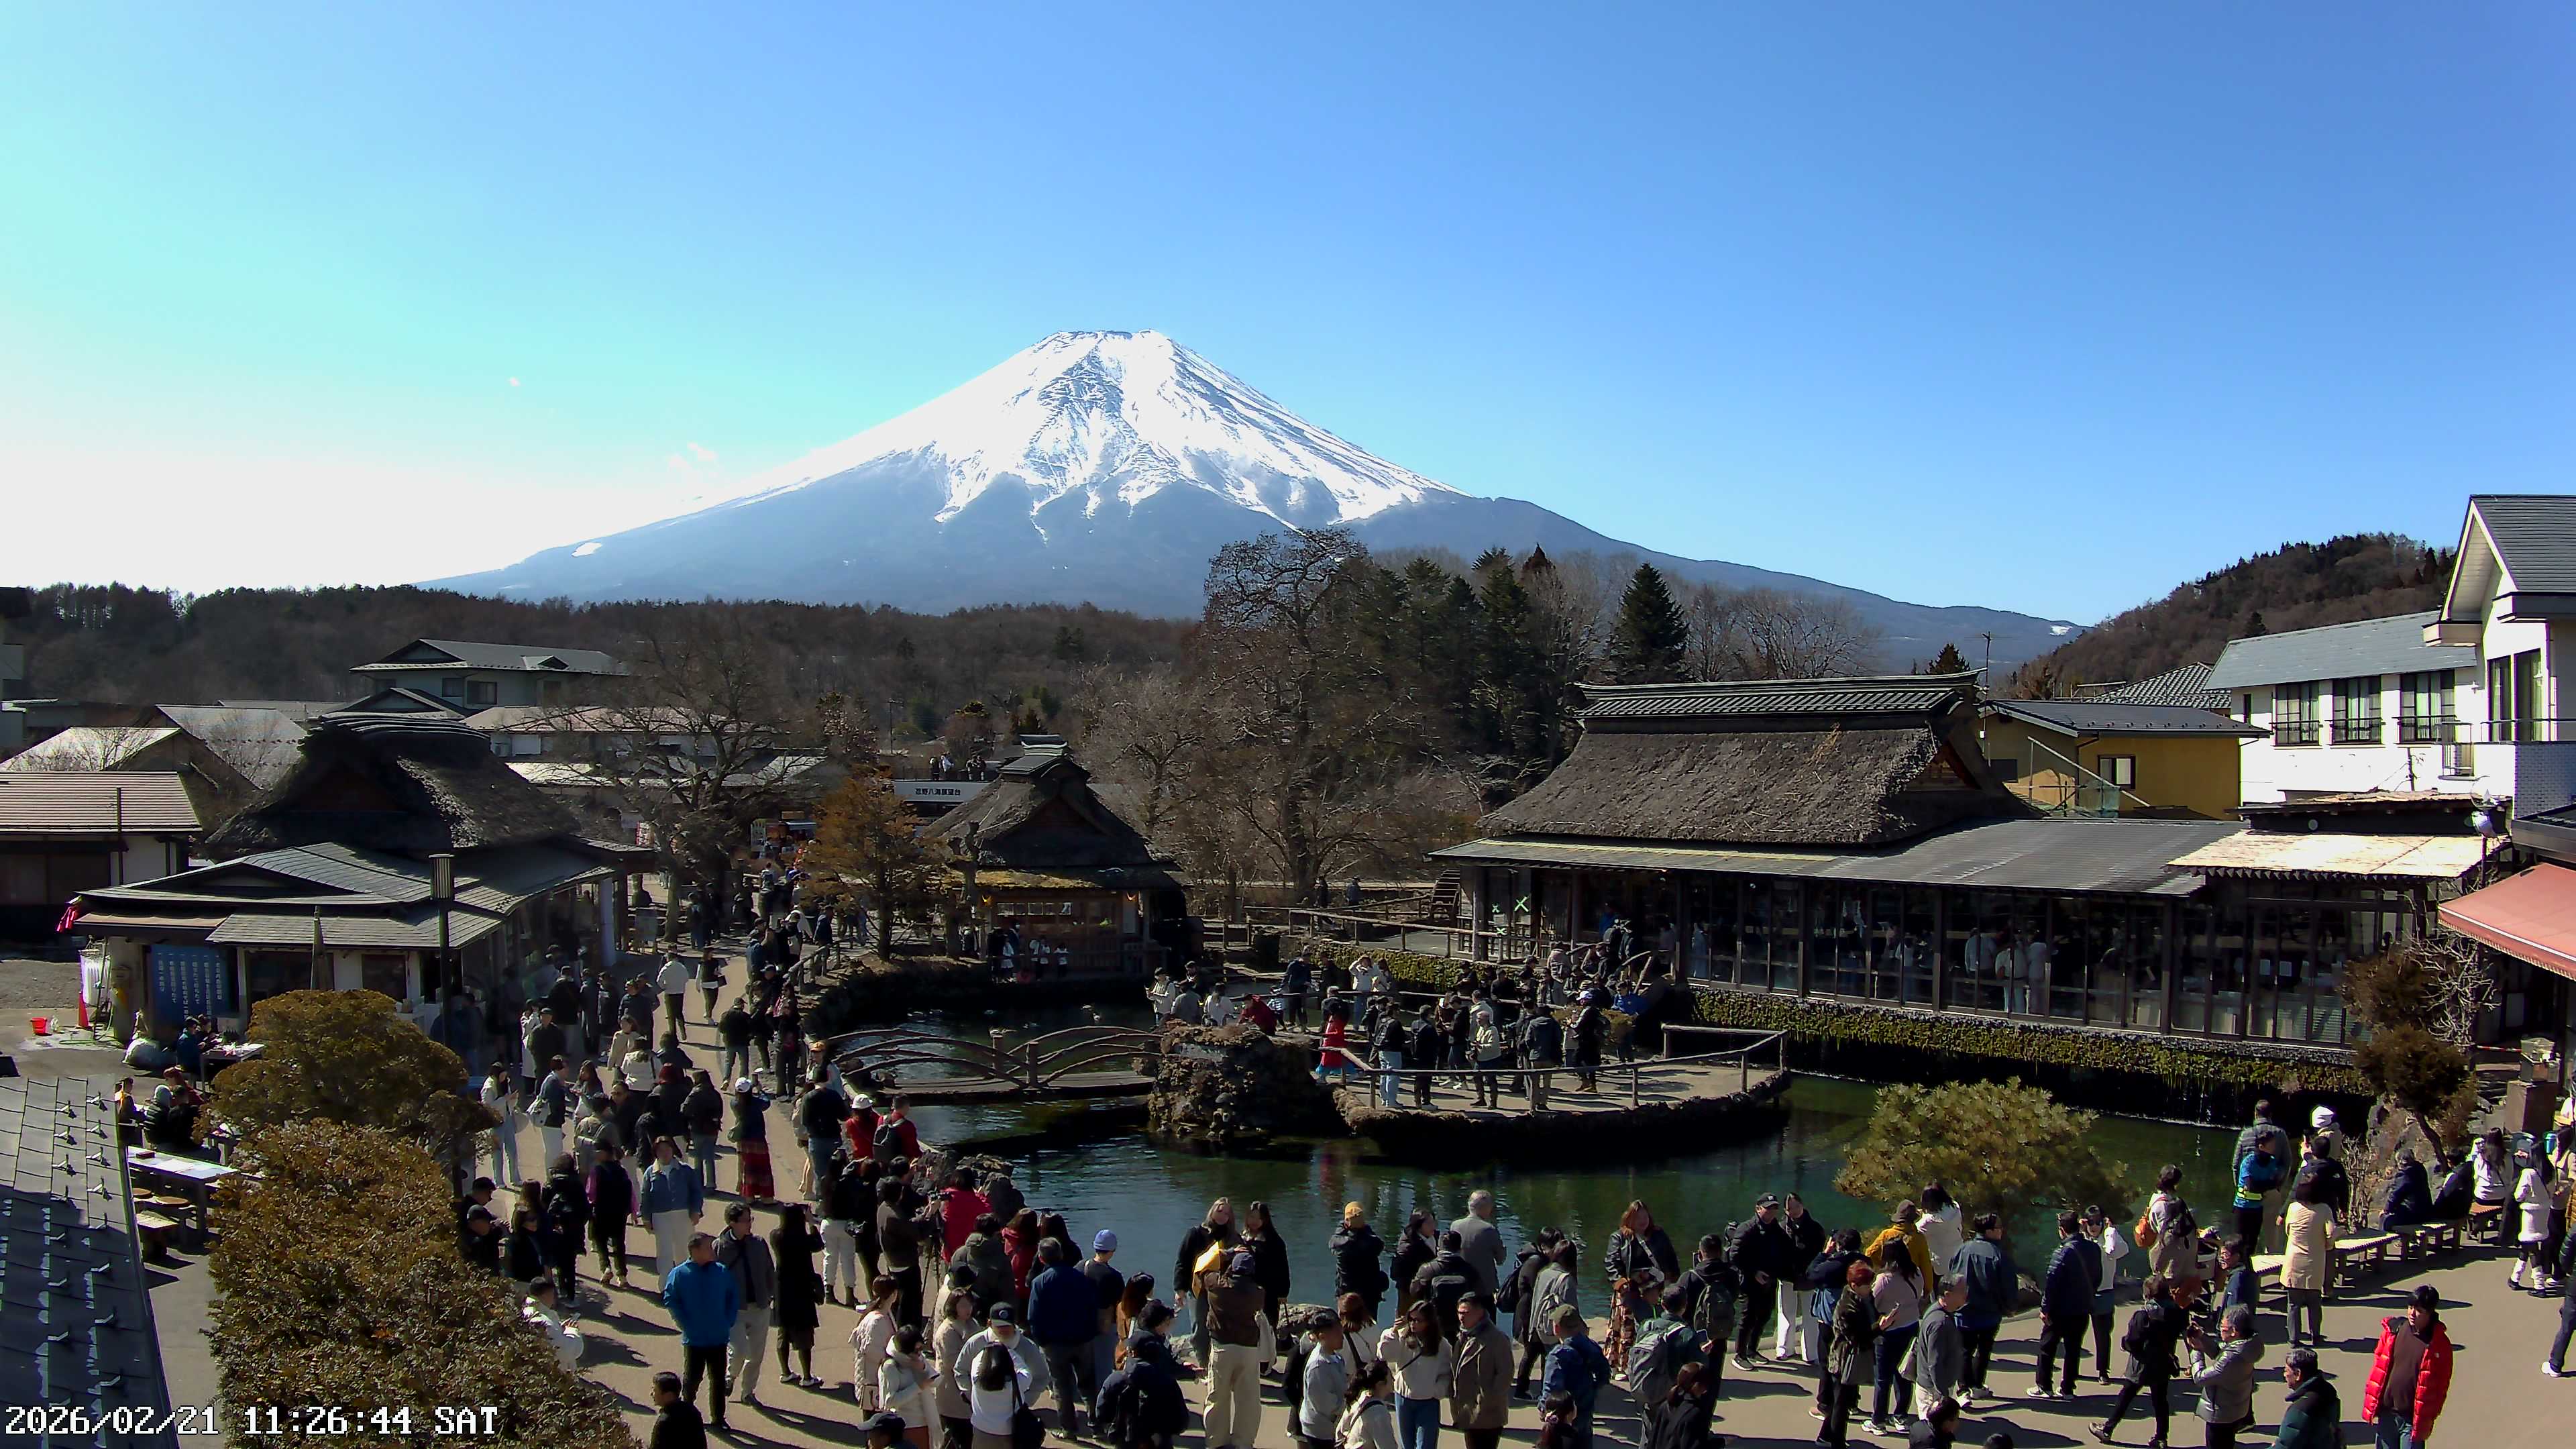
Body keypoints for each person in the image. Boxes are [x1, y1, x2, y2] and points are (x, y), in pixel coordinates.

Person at [2094, 1274, 2186, 1447]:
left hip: (2142, 1363)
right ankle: (2161, 1438)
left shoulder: (2143, 1315)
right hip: (2163, 1361)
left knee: (2126, 1396)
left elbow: (2133, 1341)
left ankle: (2107, 1429)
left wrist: (2125, 1344)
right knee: (2160, 1401)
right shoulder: (2177, 1312)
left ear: (2148, 1295)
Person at [663, 1233, 742, 1432]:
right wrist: (683, 1323)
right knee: (691, 1380)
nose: (712, 1251)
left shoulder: (721, 1271)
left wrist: (728, 1320)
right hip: (695, 1339)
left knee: (717, 1380)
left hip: (718, 1337)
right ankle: (685, 1415)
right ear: (695, 1250)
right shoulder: (680, 1274)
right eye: (708, 1247)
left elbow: (733, 1297)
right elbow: (671, 1299)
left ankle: (718, 1418)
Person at [2361, 1285, 2452, 1449]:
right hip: (2387, 1413)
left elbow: (2442, 1383)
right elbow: (2378, 1366)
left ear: (2430, 1313)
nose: (2412, 1313)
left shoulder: (2438, 1344)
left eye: (2419, 1310)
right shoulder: (2393, 1332)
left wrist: (2430, 1414)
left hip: (2412, 1420)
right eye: (2410, 1307)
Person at [1028, 1238, 1099, 1438]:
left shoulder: (1040, 1282)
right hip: (1082, 1339)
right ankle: (1096, 1423)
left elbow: (1033, 1316)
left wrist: (1041, 1340)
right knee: (1088, 1384)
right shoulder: (1081, 1278)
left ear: (1042, 1259)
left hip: (1054, 1344)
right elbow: (1092, 1307)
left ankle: (1069, 1428)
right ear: (1061, 1254)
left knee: (1062, 1385)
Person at [1201, 1250, 1273, 1449]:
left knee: (1217, 1397)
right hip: (1248, 1348)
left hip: (1222, 1347)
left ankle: (1216, 1441)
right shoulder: (1258, 1293)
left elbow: (1206, 1271)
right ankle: (1243, 1442)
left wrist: (1224, 1255)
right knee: (1248, 1399)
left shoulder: (1216, 1286)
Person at [2034, 1210, 2102, 1399]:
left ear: (2062, 1231)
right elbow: (2097, 1277)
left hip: (2060, 1309)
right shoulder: (2093, 1249)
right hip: (2082, 1307)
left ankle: (2044, 1385)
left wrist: (2045, 1308)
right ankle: (2068, 1388)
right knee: (2073, 1349)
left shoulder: (2062, 1252)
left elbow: (2052, 1282)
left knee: (2048, 1347)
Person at [718, 1201, 780, 1405]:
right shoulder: (720, 1247)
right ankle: (730, 1377)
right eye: (745, 1220)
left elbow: (770, 1271)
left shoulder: (758, 1243)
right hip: (735, 1309)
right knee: (739, 1350)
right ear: (732, 1223)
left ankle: (748, 1393)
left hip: (760, 1306)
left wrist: (773, 1295)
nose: (750, 1224)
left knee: (756, 1355)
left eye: (750, 1219)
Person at [1725, 1194, 1794, 1368]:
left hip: (1769, 1281)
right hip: (1749, 1281)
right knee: (1747, 1317)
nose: (1771, 1212)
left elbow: (1787, 1247)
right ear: (1758, 1208)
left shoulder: (1776, 1229)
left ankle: (1752, 1349)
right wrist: (1753, 1272)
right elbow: (1734, 1256)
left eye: (1774, 1208)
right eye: (1768, 1208)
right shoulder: (1747, 1228)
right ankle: (1739, 1355)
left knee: (1764, 1316)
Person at [2185, 1303, 2263, 1449]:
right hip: (2235, 1408)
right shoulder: (2247, 1346)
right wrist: (2203, 1338)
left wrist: (2196, 1351)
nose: (2220, 1328)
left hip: (2221, 1414)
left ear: (2234, 1332)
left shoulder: (2231, 1358)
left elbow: (2200, 1378)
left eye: (2223, 1326)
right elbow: (2219, 1351)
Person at [1379, 1299, 1454, 1449]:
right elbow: (1385, 1355)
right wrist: (1392, 1332)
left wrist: (1436, 1391)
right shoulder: (1401, 1337)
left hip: (1428, 1402)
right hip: (1403, 1399)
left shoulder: (1441, 1345)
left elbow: (1446, 1374)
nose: (1413, 1324)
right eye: (1411, 1319)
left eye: (1418, 1320)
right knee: (1407, 1444)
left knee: (1426, 1445)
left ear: (1429, 1321)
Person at [1819, 1260, 1878, 1449]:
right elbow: (1856, 1337)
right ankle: (1836, 1442)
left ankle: (1825, 1436)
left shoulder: (1864, 1299)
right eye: (1867, 1285)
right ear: (1855, 1285)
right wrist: (1880, 1328)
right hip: (1844, 1359)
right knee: (1841, 1405)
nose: (1870, 1288)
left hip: (1850, 1357)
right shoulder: (1846, 1306)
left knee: (1841, 1402)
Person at [1868, 1243, 1925, 1436]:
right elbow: (1921, 1293)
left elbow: (1871, 1301)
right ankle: (1901, 1416)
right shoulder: (1916, 1272)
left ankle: (1878, 1420)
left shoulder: (1884, 1280)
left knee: (1883, 1378)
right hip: (1911, 1326)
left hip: (1889, 1331)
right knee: (1905, 1374)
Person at [1176, 1197, 1238, 1367]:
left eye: (1226, 1213)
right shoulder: (1195, 1234)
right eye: (1220, 1211)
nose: (1223, 1215)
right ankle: (1204, 1364)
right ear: (1212, 1211)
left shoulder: (1232, 1238)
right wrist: (1179, 1289)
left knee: (1222, 1330)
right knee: (1200, 1329)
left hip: (1223, 1291)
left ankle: (1220, 1366)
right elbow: (1183, 1262)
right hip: (1198, 1290)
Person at [1451, 1291, 1515, 1449]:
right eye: (1459, 1313)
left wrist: (1487, 1400)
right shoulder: (1462, 1336)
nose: (1461, 1317)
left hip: (1488, 1413)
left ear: (1480, 1312)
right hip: (1467, 1410)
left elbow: (1505, 1374)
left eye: (1466, 1313)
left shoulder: (1496, 1338)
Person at [1540, 1306, 1610, 1449]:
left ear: (1557, 1328)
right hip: (1585, 1409)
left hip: (1565, 1415)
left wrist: (1544, 1409)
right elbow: (1604, 1374)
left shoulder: (1557, 1356)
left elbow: (1552, 1389)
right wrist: (1593, 1390)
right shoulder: (1590, 1346)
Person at [2282, 1171, 2336, 1349]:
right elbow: (2330, 1235)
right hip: (2315, 1261)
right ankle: (2316, 1335)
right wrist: (2329, 1243)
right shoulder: (2324, 1210)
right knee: (2314, 1303)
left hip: (2294, 1260)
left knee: (2293, 1304)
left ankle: (2294, 1339)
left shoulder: (2293, 1208)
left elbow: (2288, 1231)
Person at [642, 1136, 705, 1289]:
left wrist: (696, 1210)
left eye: (667, 1149)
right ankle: (666, 1287)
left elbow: (696, 1192)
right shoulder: (651, 1173)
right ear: (655, 1153)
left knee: (683, 1250)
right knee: (664, 1252)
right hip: (661, 1216)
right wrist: (646, 1218)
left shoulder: (685, 1170)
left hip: (683, 1214)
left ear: (673, 1150)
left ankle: (685, 1284)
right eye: (660, 1151)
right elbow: (646, 1196)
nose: (664, 1153)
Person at [772, 1202, 824, 1388]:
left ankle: (785, 1372)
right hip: (801, 1290)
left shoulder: (776, 1236)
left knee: (783, 1332)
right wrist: (811, 1222)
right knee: (804, 1334)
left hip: (782, 1289)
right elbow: (818, 1244)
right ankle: (807, 1376)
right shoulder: (801, 1239)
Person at [1775, 1193, 1830, 1362]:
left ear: (1802, 1206)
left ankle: (1811, 1353)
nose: (1795, 1211)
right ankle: (1784, 1349)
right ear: (1786, 1210)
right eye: (1791, 1208)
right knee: (1786, 1313)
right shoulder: (1781, 1227)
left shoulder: (1815, 1228)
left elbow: (1821, 1252)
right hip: (1787, 1277)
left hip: (1809, 1277)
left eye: (1797, 1207)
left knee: (1811, 1316)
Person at [2084, 1205, 2129, 1380]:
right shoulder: (2083, 1242)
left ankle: (2103, 1371)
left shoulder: (2109, 1241)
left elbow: (2118, 1250)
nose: (2094, 1226)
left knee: (2103, 1335)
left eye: (2098, 1222)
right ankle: (2071, 1373)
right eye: (2090, 1222)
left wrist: (2111, 1231)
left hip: (2104, 1293)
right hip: (2083, 1294)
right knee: (2074, 1335)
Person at [933, 1285, 981, 1449]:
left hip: (971, 1393)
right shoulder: (947, 1331)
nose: (967, 1309)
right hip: (952, 1395)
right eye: (962, 1305)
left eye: (969, 1305)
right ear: (953, 1307)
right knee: (954, 1439)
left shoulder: (972, 1324)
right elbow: (954, 1363)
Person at [1295, 1320, 1353, 1449]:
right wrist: (1349, 1408)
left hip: (1329, 1426)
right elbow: (1324, 1404)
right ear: (1322, 1337)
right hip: (1320, 1429)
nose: (1343, 1338)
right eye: (1338, 1335)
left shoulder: (1336, 1358)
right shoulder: (1318, 1366)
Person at [967, 1340, 1035, 1449]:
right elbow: (1026, 1372)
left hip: (981, 1430)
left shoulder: (976, 1379)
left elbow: (976, 1360)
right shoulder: (1015, 1383)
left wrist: (988, 1350)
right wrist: (1009, 1352)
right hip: (1008, 1433)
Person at [586, 1142, 637, 1287]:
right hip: (620, 1213)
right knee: (619, 1244)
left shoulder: (596, 1170)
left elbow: (591, 1192)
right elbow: (630, 1191)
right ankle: (622, 1276)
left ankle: (606, 1268)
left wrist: (589, 1208)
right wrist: (633, 1211)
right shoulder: (621, 1170)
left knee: (601, 1242)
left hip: (602, 1211)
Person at [1914, 1278, 1970, 1409]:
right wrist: (1943, 1394)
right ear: (1948, 1295)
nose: (1966, 1294)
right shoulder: (1940, 1323)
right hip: (1933, 1392)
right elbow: (1935, 1363)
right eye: (1962, 1291)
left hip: (1933, 1388)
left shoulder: (1936, 1310)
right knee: (1934, 1427)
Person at [1643, 1362, 1725, 1449]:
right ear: (1698, 1386)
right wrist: (1719, 1443)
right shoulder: (1695, 1414)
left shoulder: (1666, 1405)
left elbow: (1653, 1439)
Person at [2272, 1347, 2341, 1449]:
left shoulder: (2300, 1410)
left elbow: (2285, 1446)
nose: (2284, 1375)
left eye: (2287, 1370)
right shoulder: (2328, 1390)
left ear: (2298, 1374)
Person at [855, 1276, 902, 1410]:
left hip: (875, 1380)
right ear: (894, 1294)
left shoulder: (882, 1313)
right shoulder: (877, 1321)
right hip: (873, 1383)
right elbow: (873, 1352)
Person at [2512, 1146, 2556, 1289]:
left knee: (2531, 1247)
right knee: (2527, 1247)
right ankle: (2515, 1278)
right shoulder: (2550, 1170)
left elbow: (2518, 1196)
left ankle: (2539, 1285)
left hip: (2530, 1213)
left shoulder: (2528, 1173)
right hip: (2544, 1212)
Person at [1453, 1191, 1509, 1299]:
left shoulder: (1455, 1226)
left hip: (1461, 1285)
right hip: (1484, 1288)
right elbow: (1501, 1260)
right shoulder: (1489, 1229)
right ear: (1486, 1208)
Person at [1338, 1359, 1403, 1449]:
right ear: (1380, 1384)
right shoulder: (1378, 1412)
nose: (1394, 1379)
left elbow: (1340, 1431)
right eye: (1391, 1377)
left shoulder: (1360, 1397)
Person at [482, 1061, 521, 1185]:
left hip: (507, 1119)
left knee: (513, 1150)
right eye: (502, 1076)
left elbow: (508, 1103)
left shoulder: (504, 1084)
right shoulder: (489, 1087)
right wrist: (505, 1099)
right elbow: (488, 1106)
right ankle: (498, 1181)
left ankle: (515, 1178)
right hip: (496, 1122)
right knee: (497, 1153)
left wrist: (513, 1100)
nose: (504, 1079)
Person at [651, 1369, 710, 1449]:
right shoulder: (692, 1411)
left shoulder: (664, 1422)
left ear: (668, 1395)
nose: (652, 1394)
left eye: (655, 1391)